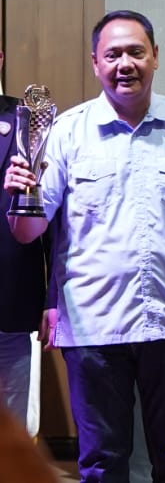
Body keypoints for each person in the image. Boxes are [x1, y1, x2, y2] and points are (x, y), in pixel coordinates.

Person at [2, 10, 165, 483]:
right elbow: (28, 232)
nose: (125, 64)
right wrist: (20, 198)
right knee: (102, 465)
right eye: (113, 55)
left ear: (155, 56)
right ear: (95, 63)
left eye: (135, 52)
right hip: (93, 327)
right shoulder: (67, 131)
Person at [0, 47, 46, 428]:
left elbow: (54, 215)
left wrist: (53, 298)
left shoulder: (27, 120)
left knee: (12, 433)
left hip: (10, 305)